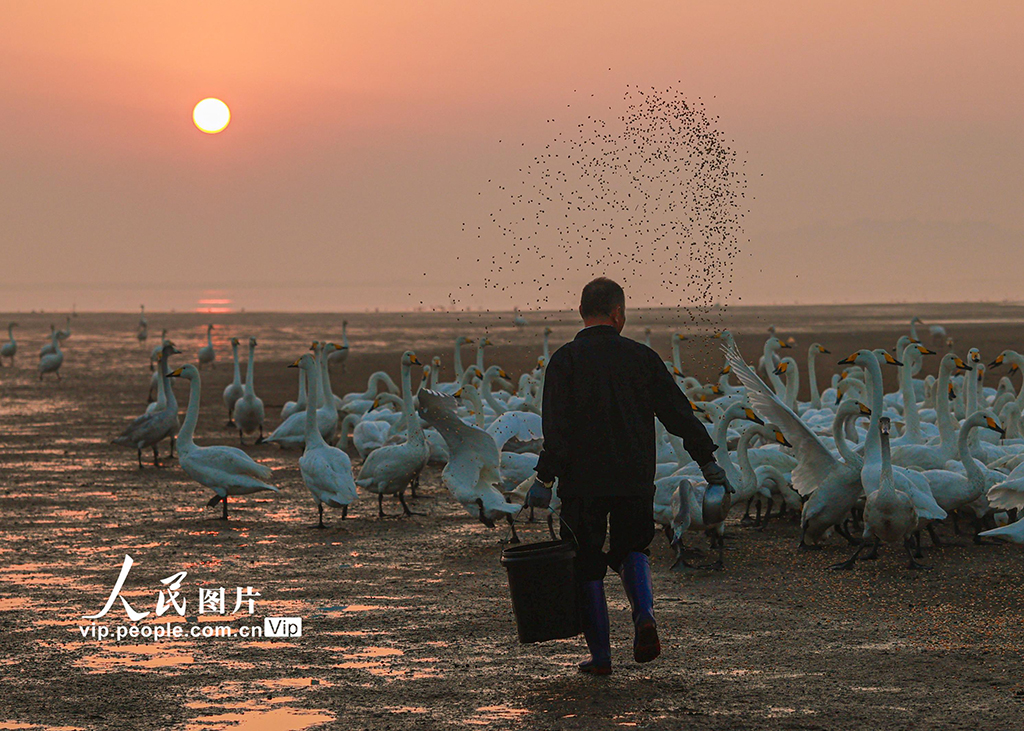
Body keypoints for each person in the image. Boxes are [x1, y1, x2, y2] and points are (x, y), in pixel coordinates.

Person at [527, 277, 728, 675]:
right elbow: (678, 414)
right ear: (618, 314)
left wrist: (544, 479)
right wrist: (706, 460)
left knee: (586, 563)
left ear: (583, 314)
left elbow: (557, 431)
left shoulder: (564, 361)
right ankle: (644, 616)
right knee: (632, 548)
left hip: (582, 484)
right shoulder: (642, 358)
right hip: (634, 478)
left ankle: (601, 657)